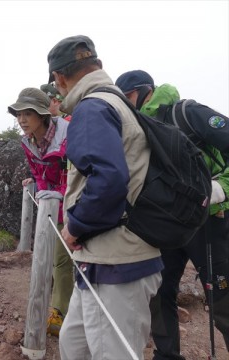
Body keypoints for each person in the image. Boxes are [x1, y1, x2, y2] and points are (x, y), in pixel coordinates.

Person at [48, 35, 163, 359]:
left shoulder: (93, 108)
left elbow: (110, 181)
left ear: (59, 77)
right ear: (97, 65)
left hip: (116, 264)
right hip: (106, 259)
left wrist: (75, 227)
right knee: (74, 345)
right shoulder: (117, 103)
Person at [116, 69, 229, 360]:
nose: (127, 104)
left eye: (128, 97)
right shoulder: (136, 128)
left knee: (222, 298)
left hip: (210, 219)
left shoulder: (188, 113)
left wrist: (222, 187)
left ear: (145, 91)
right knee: (159, 290)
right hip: (168, 224)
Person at [7, 87, 74, 337]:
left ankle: (61, 310)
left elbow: (76, 171)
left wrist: (61, 197)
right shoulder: (28, 142)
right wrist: (45, 193)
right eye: (18, 114)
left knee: (65, 259)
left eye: (28, 113)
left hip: (75, 203)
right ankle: (58, 305)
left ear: (42, 114)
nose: (22, 120)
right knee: (56, 256)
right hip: (51, 204)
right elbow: (37, 172)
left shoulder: (68, 133)